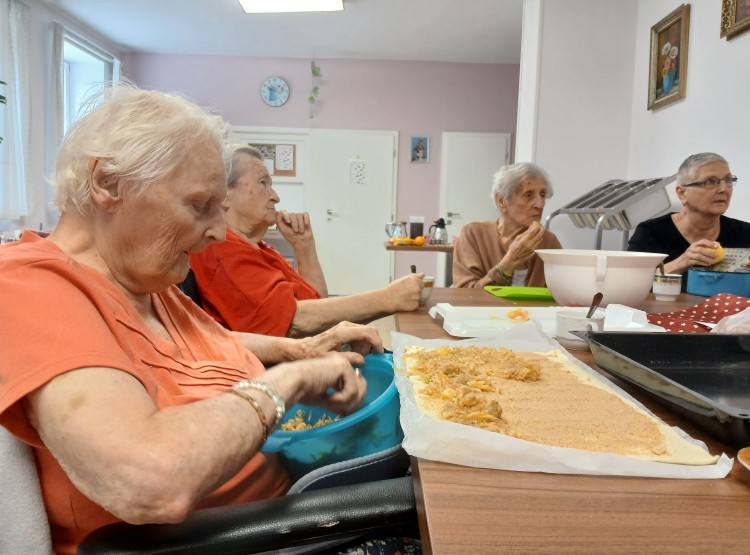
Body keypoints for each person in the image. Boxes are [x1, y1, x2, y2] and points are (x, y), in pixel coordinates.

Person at [0, 85, 389, 555]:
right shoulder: (30, 288)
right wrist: (288, 383)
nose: (219, 233)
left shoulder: (147, 281)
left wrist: (300, 348)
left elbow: (203, 343)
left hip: (291, 505)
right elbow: (147, 479)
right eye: (200, 206)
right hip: (246, 540)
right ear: (108, 183)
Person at [189, 145, 424, 337]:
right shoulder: (221, 250)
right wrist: (389, 298)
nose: (275, 196)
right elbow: (295, 321)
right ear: (224, 195)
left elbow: (315, 300)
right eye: (263, 183)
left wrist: (304, 247)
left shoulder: (255, 247)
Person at [628, 152, 750, 289]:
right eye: (710, 181)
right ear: (682, 193)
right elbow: (630, 285)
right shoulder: (651, 233)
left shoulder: (745, 233)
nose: (723, 189)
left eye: (728, 180)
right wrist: (681, 263)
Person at [452, 162, 562, 288]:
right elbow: (466, 297)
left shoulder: (549, 242)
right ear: (501, 201)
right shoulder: (474, 235)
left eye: (542, 195)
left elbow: (562, 296)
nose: (540, 204)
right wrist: (509, 262)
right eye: (528, 195)